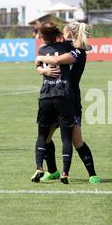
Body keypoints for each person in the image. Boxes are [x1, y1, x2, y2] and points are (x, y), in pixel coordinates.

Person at [36, 22, 100, 185]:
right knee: (47, 138)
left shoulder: (76, 51)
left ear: (69, 34)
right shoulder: (65, 47)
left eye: (64, 33)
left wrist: (40, 58)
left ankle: (92, 174)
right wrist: (43, 70)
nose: (61, 36)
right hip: (55, 96)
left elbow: (54, 58)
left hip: (69, 98)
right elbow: (45, 61)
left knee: (76, 140)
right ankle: (53, 171)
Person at [32, 24, 76, 184]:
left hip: (45, 97)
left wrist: (42, 68)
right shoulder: (66, 46)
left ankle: (39, 167)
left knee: (42, 135)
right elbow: (83, 48)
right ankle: (65, 173)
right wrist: (43, 70)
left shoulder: (42, 51)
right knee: (66, 137)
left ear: (43, 37)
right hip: (63, 95)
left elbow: (36, 63)